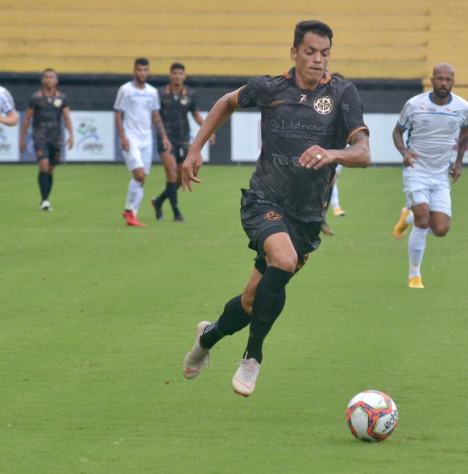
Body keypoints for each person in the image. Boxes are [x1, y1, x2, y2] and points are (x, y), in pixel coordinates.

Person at [181, 20, 370, 397]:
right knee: (282, 261)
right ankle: (253, 357)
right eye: (311, 52)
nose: (319, 60)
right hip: (263, 200)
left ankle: (208, 337)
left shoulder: (342, 94)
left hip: (307, 217)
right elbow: (227, 102)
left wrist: (332, 153)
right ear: (294, 52)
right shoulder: (270, 88)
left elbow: (363, 153)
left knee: (252, 300)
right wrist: (194, 148)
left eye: (325, 53)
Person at [391, 63, 468, 288]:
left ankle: (406, 217)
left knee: (441, 229)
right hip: (416, 170)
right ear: (432, 80)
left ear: (453, 82)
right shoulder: (415, 105)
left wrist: (458, 162)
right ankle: (414, 275)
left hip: (440, 174)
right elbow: (397, 132)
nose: (443, 83)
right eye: (439, 79)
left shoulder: (462, 107)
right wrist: (404, 152)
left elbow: (465, 131)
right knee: (423, 219)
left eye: (448, 80)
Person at [151, 62, 215, 223]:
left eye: (180, 73)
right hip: (166, 140)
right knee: (171, 173)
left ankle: (158, 201)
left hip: (183, 140)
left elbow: (195, 114)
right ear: (170, 76)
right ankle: (177, 214)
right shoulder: (160, 93)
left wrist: (209, 130)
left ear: (184, 76)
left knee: (180, 178)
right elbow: (155, 116)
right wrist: (164, 137)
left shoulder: (190, 94)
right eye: (175, 73)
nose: (177, 76)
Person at [114, 58, 171, 227]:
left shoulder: (152, 92)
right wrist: (123, 136)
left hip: (147, 140)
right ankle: (128, 211)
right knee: (138, 174)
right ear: (134, 71)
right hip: (131, 139)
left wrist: (164, 137)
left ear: (149, 72)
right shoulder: (125, 90)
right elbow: (118, 114)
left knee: (141, 179)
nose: (142, 73)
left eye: (145, 70)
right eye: (139, 70)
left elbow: (156, 116)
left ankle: (133, 213)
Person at [19, 69, 74, 211]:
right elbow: (27, 118)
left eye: (51, 77)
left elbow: (66, 117)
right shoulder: (36, 98)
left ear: (56, 80)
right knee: (43, 164)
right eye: (46, 77)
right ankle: (44, 200)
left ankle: (45, 199)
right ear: (42, 80)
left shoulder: (62, 98)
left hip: (56, 138)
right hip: (40, 136)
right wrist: (22, 137)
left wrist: (71, 135)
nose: (49, 80)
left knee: (50, 169)